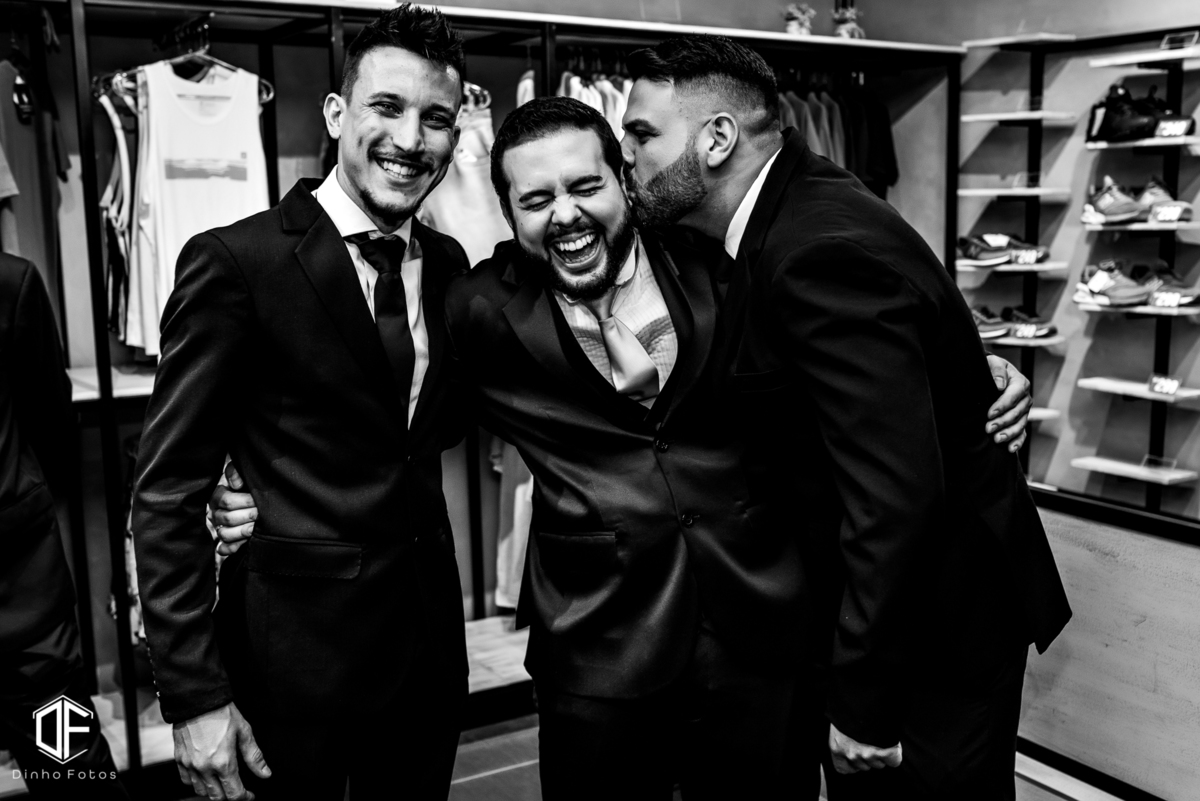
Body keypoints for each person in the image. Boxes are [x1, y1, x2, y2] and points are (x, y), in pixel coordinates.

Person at [212, 97, 1036, 799]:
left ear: (624, 184)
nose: (565, 215)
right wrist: (241, 468)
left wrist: (970, 371)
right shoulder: (481, 310)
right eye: (536, 199)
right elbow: (389, 419)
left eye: (585, 187)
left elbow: (861, 340)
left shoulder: (725, 267)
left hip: (763, 633)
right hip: (597, 651)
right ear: (509, 212)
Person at [619, 34, 1072, 800]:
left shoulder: (813, 248)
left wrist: (865, 700)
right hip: (897, 609)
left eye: (641, 133)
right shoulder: (797, 206)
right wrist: (968, 370)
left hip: (930, 631)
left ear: (718, 138)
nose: (627, 154)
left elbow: (895, 496)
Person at [130, 6, 471, 800]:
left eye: (436, 119)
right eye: (387, 107)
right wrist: (195, 696)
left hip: (424, 662)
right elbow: (168, 489)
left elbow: (421, 432)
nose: (411, 139)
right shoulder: (237, 262)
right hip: (289, 670)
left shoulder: (452, 265)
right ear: (336, 113)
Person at [0, 254, 129, 799]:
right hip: (26, 603)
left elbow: (52, 425)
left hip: (24, 615)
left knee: (75, 774)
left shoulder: (10, 283)